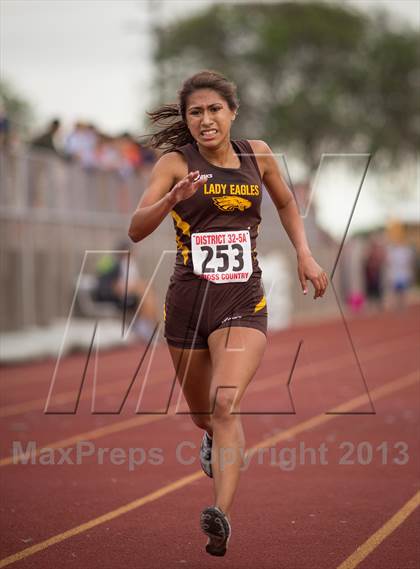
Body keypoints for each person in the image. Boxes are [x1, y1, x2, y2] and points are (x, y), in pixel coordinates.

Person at [128, 70, 328, 556]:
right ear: (187, 120)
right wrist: (171, 200)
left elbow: (286, 203)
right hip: (188, 304)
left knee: (225, 404)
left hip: (243, 302)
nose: (205, 119)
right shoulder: (175, 164)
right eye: (195, 112)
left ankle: (220, 514)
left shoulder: (257, 155)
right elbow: (136, 228)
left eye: (214, 109)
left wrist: (304, 252)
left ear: (232, 113)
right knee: (204, 416)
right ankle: (213, 440)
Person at [93, 240, 158, 341]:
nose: (134, 254)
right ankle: (147, 327)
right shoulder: (114, 263)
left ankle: (146, 326)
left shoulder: (127, 264)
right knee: (145, 290)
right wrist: (133, 286)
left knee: (146, 291)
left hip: (123, 294)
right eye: (132, 251)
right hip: (109, 296)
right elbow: (111, 285)